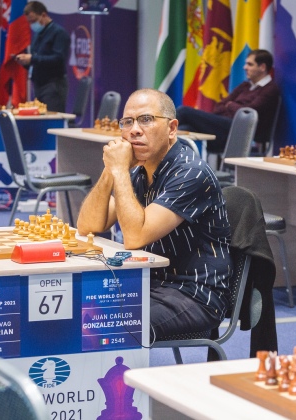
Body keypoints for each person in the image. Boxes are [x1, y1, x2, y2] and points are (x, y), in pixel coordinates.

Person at [77, 88, 232, 340]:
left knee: (103, 324)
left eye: (146, 120)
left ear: (171, 129)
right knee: (77, 311)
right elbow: (88, 226)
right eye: (127, 122)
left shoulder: (191, 173)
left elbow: (135, 237)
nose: (134, 130)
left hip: (191, 294)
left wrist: (119, 172)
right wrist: (110, 171)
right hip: (149, 282)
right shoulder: (139, 173)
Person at [176, 49, 280, 155]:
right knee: (185, 129)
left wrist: (230, 105)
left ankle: (160, 134)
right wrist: (234, 107)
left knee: (184, 111)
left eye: (250, 64)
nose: (245, 68)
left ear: (262, 67)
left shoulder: (270, 89)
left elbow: (248, 115)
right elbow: (218, 107)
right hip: (224, 130)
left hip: (241, 133)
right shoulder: (245, 86)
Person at [14, 1, 69, 112]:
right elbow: (37, 60)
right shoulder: (38, 34)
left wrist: (32, 59)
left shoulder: (59, 33)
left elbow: (58, 59)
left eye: (33, 21)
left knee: (51, 121)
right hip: (39, 84)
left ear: (43, 15)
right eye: (29, 22)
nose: (32, 25)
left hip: (53, 86)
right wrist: (25, 62)